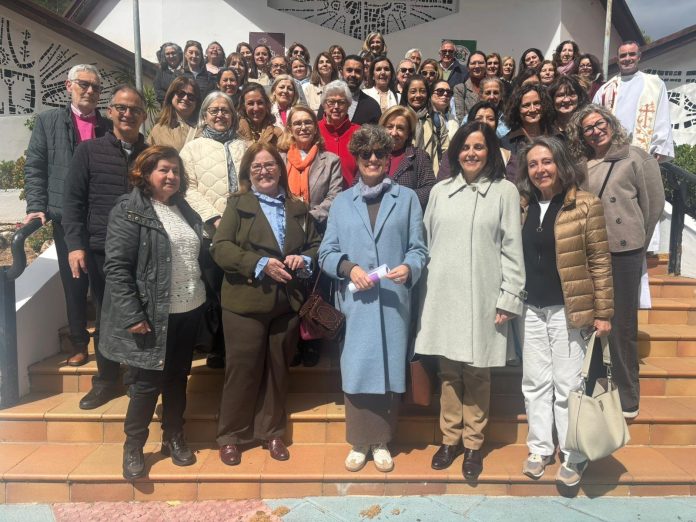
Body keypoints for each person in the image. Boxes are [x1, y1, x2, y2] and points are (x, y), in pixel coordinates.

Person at [415, 122, 525, 480]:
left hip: (484, 295)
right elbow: (426, 242)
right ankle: (450, 439)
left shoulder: (504, 192)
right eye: (465, 147)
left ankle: (474, 443)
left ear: (490, 151)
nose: (471, 153)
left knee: (478, 371)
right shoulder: (440, 191)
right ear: (456, 152)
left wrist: (509, 296)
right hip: (443, 294)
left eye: (479, 147)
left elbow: (512, 248)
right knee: (448, 371)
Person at [319, 125, 427, 473]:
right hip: (356, 303)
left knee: (389, 369)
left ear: (388, 157)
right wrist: (348, 268)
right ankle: (358, 441)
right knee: (357, 370)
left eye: (380, 153)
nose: (373, 159)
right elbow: (326, 252)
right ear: (357, 158)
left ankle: (381, 441)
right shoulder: (341, 203)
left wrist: (410, 267)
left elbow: (419, 249)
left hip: (393, 300)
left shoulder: (406, 199)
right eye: (365, 154)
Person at [100, 146, 208, 480]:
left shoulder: (183, 208)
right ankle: (133, 446)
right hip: (151, 314)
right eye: (164, 169)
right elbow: (117, 267)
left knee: (177, 378)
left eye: (176, 170)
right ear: (145, 173)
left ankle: (173, 437)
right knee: (146, 383)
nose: (171, 176)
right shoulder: (129, 209)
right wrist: (133, 315)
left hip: (188, 309)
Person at [212, 142, 321, 466]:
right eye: (257, 166)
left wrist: (304, 258)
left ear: (280, 169)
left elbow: (316, 244)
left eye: (270, 165)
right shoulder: (238, 204)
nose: (264, 171)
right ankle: (231, 435)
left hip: (286, 302)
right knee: (242, 369)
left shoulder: (297, 207)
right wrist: (259, 263)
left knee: (277, 369)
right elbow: (221, 247)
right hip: (245, 302)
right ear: (248, 173)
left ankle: (271, 431)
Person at [516, 136, 613, 487]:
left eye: (547, 162)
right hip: (531, 308)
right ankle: (540, 448)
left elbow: (600, 261)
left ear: (560, 164)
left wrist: (603, 311)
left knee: (568, 384)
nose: (540, 169)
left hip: (568, 309)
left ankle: (574, 452)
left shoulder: (585, 204)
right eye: (533, 164)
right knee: (534, 382)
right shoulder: (522, 205)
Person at [568, 104, 665, 419]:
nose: (596, 131)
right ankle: (594, 387)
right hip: (591, 251)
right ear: (582, 135)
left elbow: (654, 204)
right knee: (592, 322)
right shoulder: (582, 165)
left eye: (600, 123)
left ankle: (627, 397)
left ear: (610, 123)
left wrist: (637, 240)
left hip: (624, 252)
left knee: (621, 325)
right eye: (588, 128)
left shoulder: (636, 157)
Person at [62, 85, 148, 409]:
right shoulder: (88, 151)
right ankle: (107, 380)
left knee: (141, 313)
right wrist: (75, 246)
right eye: (121, 108)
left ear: (143, 116)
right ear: (110, 111)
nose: (127, 114)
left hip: (142, 249)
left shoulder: (150, 154)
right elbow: (72, 202)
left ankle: (136, 378)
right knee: (106, 316)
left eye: (135, 110)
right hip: (101, 249)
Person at [24, 64, 111, 367]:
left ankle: (106, 346)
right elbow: (35, 166)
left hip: (101, 217)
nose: (90, 91)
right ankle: (78, 342)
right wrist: (36, 206)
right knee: (74, 281)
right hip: (66, 217)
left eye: (96, 87)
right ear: (68, 86)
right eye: (84, 84)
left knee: (103, 282)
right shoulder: (49, 122)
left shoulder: (107, 125)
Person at [593, 40, 674, 161]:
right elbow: (594, 119)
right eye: (623, 55)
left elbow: (663, 117)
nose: (627, 58)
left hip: (643, 151)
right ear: (617, 60)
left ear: (639, 57)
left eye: (632, 54)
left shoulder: (654, 84)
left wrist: (660, 146)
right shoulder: (605, 90)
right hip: (612, 151)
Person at [180, 91, 246, 226]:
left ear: (232, 116)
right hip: (207, 226)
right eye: (214, 111)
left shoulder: (244, 147)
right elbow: (187, 188)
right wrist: (214, 219)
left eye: (225, 111)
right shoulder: (191, 149)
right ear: (204, 116)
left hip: (244, 224)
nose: (220, 115)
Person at [278, 106, 342, 230]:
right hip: (284, 225)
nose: (303, 127)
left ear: (315, 128)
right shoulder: (279, 159)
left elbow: (334, 197)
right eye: (297, 123)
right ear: (290, 129)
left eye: (308, 122)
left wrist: (308, 219)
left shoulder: (331, 161)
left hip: (317, 228)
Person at [379, 105, 437, 209]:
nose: (394, 133)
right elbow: (357, 186)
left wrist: (400, 199)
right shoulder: (371, 155)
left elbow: (430, 189)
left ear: (408, 133)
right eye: (390, 127)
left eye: (400, 128)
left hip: (405, 215)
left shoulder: (419, 157)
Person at [501, 83, 555, 180]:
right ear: (517, 110)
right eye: (526, 105)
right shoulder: (506, 142)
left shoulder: (556, 136)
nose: (532, 109)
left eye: (537, 103)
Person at [400, 75, 450, 176]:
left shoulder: (437, 119)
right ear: (406, 94)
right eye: (413, 91)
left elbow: (446, 150)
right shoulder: (398, 119)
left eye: (422, 91)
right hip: (403, 175)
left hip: (431, 175)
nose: (418, 95)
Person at [318, 80, 361, 187]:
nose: (336, 106)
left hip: (352, 192)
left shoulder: (359, 132)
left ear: (348, 105)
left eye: (341, 102)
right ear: (324, 105)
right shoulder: (314, 130)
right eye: (331, 102)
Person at [317, 55, 381, 125]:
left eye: (358, 71)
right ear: (341, 72)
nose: (353, 74)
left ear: (363, 75)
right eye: (349, 70)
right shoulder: (328, 101)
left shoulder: (372, 106)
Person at [148, 77, 200, 151]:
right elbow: (148, 156)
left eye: (191, 96)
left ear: (197, 102)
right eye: (181, 93)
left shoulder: (203, 129)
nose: (185, 98)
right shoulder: (158, 129)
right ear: (171, 96)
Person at [453, 51, 486, 122]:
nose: (477, 66)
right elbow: (460, 117)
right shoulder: (460, 89)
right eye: (473, 63)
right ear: (468, 67)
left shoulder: (493, 88)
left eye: (480, 63)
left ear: (486, 66)